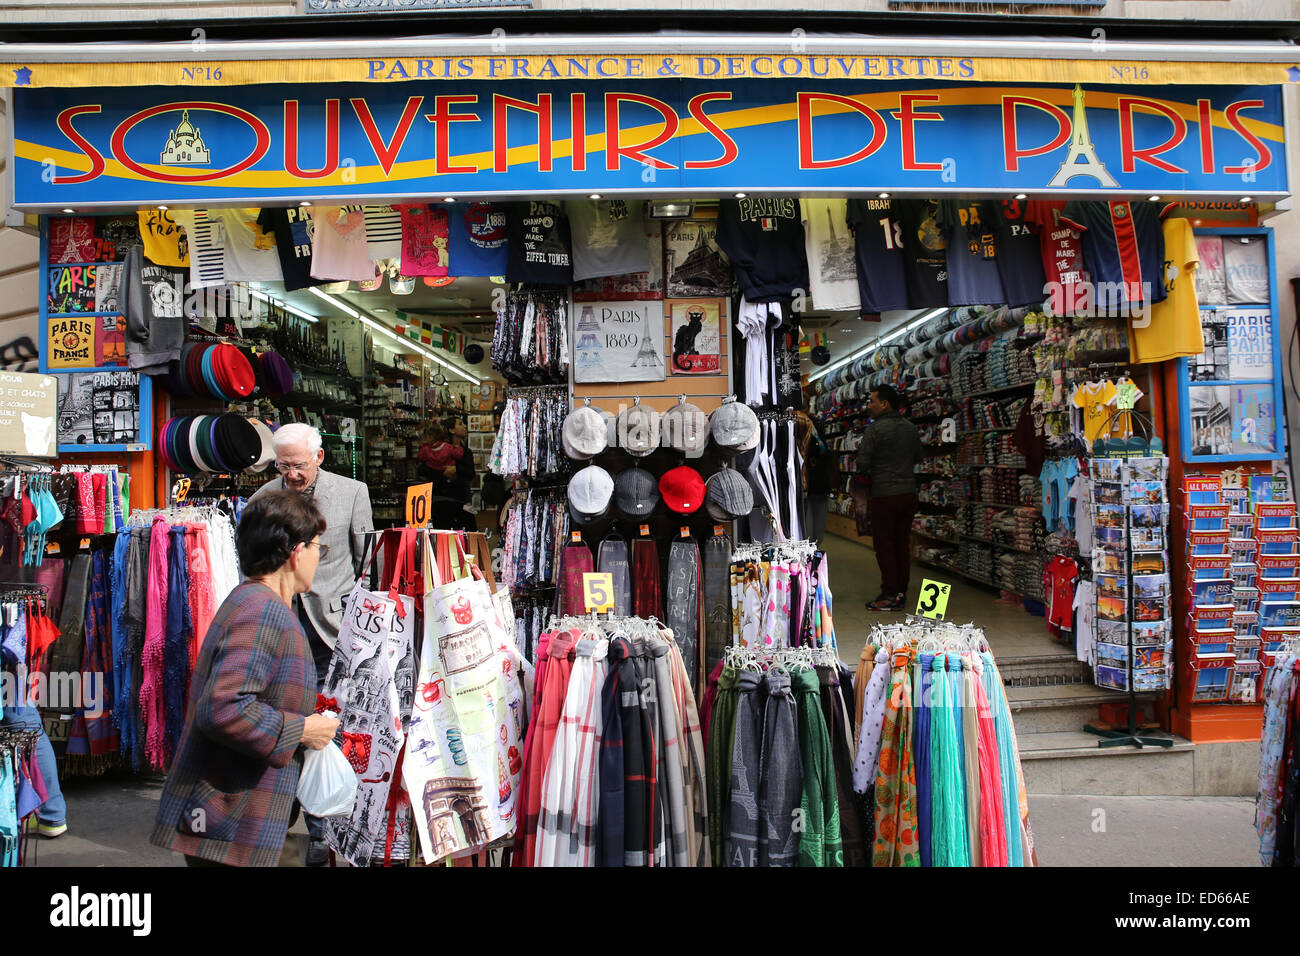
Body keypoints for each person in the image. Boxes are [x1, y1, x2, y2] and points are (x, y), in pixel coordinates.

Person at [150, 491, 341, 867]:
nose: (321, 556)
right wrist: (301, 729)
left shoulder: (254, 601)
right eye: (319, 545)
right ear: (296, 552)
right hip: (230, 815)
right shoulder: (262, 610)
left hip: (237, 814)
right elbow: (223, 709)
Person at [248, 422, 371, 865]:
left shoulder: (352, 492)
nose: (292, 474)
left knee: (324, 723)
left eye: (299, 465)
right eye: (283, 466)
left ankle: (322, 833)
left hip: (329, 629)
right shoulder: (262, 499)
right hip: (279, 627)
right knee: (284, 718)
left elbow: (365, 565)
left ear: (319, 457)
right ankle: (280, 817)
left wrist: (361, 626)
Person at [855, 384, 923, 612]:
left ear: (884, 404)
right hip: (908, 493)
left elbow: (862, 463)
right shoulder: (910, 428)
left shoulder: (874, 430)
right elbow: (919, 456)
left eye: (872, 401)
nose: (869, 405)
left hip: (884, 494)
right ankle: (901, 590)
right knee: (902, 544)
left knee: (885, 545)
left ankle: (890, 593)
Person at [428, 416, 477, 533]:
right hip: (443, 502)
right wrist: (443, 472)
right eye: (460, 424)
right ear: (451, 430)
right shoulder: (438, 450)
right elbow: (424, 470)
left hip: (461, 501)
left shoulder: (466, 451)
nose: (465, 426)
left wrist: (456, 469)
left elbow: (471, 473)